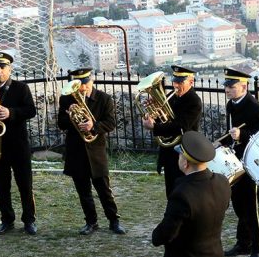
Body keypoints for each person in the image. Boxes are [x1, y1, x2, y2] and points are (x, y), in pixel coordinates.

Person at [152, 131, 231, 257]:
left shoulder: (182, 193)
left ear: (185, 162)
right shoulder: (222, 182)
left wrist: (155, 235)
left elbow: (166, 233)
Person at [57, 68, 126, 235]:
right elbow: (61, 124)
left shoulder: (104, 99)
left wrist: (93, 126)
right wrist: (70, 115)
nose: (83, 88)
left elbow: (110, 123)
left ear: (92, 80)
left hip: (96, 151)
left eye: (86, 84)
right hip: (76, 151)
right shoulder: (66, 99)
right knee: (83, 191)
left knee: (104, 189)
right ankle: (91, 222)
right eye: (79, 85)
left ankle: (114, 220)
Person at [0, 52, 38, 235]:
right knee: (2, 186)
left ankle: (29, 220)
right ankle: (6, 220)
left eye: (3, 67)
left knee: (25, 184)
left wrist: (11, 112)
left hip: (18, 145)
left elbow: (31, 111)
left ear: (9, 69)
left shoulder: (21, 88)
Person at [217, 68, 259, 257]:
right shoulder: (232, 104)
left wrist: (244, 135)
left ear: (244, 86)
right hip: (236, 159)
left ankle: (258, 248)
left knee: (250, 206)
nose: (227, 90)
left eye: (231, 87)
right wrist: (221, 142)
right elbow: (232, 131)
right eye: (226, 86)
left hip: (251, 162)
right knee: (239, 203)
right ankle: (243, 243)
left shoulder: (255, 107)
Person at [142, 65, 203, 198]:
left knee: (183, 192)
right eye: (174, 80)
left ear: (191, 82)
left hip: (184, 151)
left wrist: (154, 128)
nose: (175, 84)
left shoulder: (194, 101)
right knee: (170, 190)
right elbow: (164, 120)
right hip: (169, 151)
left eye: (180, 82)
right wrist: (154, 114)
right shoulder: (172, 95)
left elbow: (181, 127)